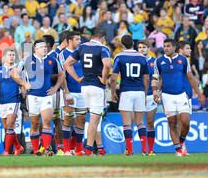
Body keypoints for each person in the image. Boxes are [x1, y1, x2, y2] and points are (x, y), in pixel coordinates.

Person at [10, 38, 64, 156]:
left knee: (47, 121)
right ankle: (35, 150)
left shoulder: (52, 60)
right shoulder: (27, 60)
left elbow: (62, 74)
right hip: (32, 96)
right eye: (42, 47)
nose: (45, 48)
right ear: (35, 49)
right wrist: (24, 84)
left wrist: (55, 88)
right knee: (34, 124)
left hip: (46, 95)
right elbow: (13, 73)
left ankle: (46, 149)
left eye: (45, 46)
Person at [152, 39, 205, 156]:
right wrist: (155, 92)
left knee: (186, 122)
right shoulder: (158, 61)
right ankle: (178, 150)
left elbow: (190, 77)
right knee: (172, 123)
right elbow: (156, 78)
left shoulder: (183, 60)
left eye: (168, 46)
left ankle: (181, 141)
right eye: (164, 46)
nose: (165, 48)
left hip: (182, 95)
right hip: (166, 96)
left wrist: (199, 94)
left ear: (174, 47)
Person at [64, 27, 111, 156]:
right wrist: (104, 79)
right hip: (97, 87)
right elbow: (107, 65)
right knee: (95, 120)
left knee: (90, 120)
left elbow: (67, 64)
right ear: (102, 38)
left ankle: (97, 148)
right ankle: (89, 149)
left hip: (84, 87)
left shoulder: (82, 47)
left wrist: (77, 78)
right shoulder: (103, 48)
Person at [110, 35, 149, 156]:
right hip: (139, 91)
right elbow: (147, 78)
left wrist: (112, 93)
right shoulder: (142, 58)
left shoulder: (120, 56)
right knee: (140, 122)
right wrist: (145, 93)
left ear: (122, 44)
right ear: (133, 43)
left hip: (126, 91)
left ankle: (130, 150)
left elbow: (113, 78)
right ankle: (144, 149)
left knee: (127, 123)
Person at [0, 48, 24, 156]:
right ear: (4, 57)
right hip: (3, 101)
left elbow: (22, 81)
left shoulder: (17, 68)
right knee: (7, 128)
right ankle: (18, 147)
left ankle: (6, 151)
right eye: (9, 55)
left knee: (10, 125)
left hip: (14, 100)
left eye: (13, 55)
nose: (11, 56)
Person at [59, 31, 89, 156]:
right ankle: (66, 149)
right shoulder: (63, 55)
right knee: (68, 119)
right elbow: (62, 75)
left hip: (82, 91)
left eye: (80, 39)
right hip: (69, 91)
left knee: (81, 120)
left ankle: (77, 149)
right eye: (77, 39)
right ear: (69, 41)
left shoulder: (83, 53)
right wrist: (66, 91)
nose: (79, 42)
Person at [137, 39, 158, 155]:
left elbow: (157, 78)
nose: (142, 49)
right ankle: (142, 149)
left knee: (150, 123)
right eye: (140, 47)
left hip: (150, 95)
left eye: (144, 47)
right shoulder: (136, 61)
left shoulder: (154, 62)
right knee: (136, 123)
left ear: (149, 48)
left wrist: (157, 92)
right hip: (138, 95)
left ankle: (150, 150)